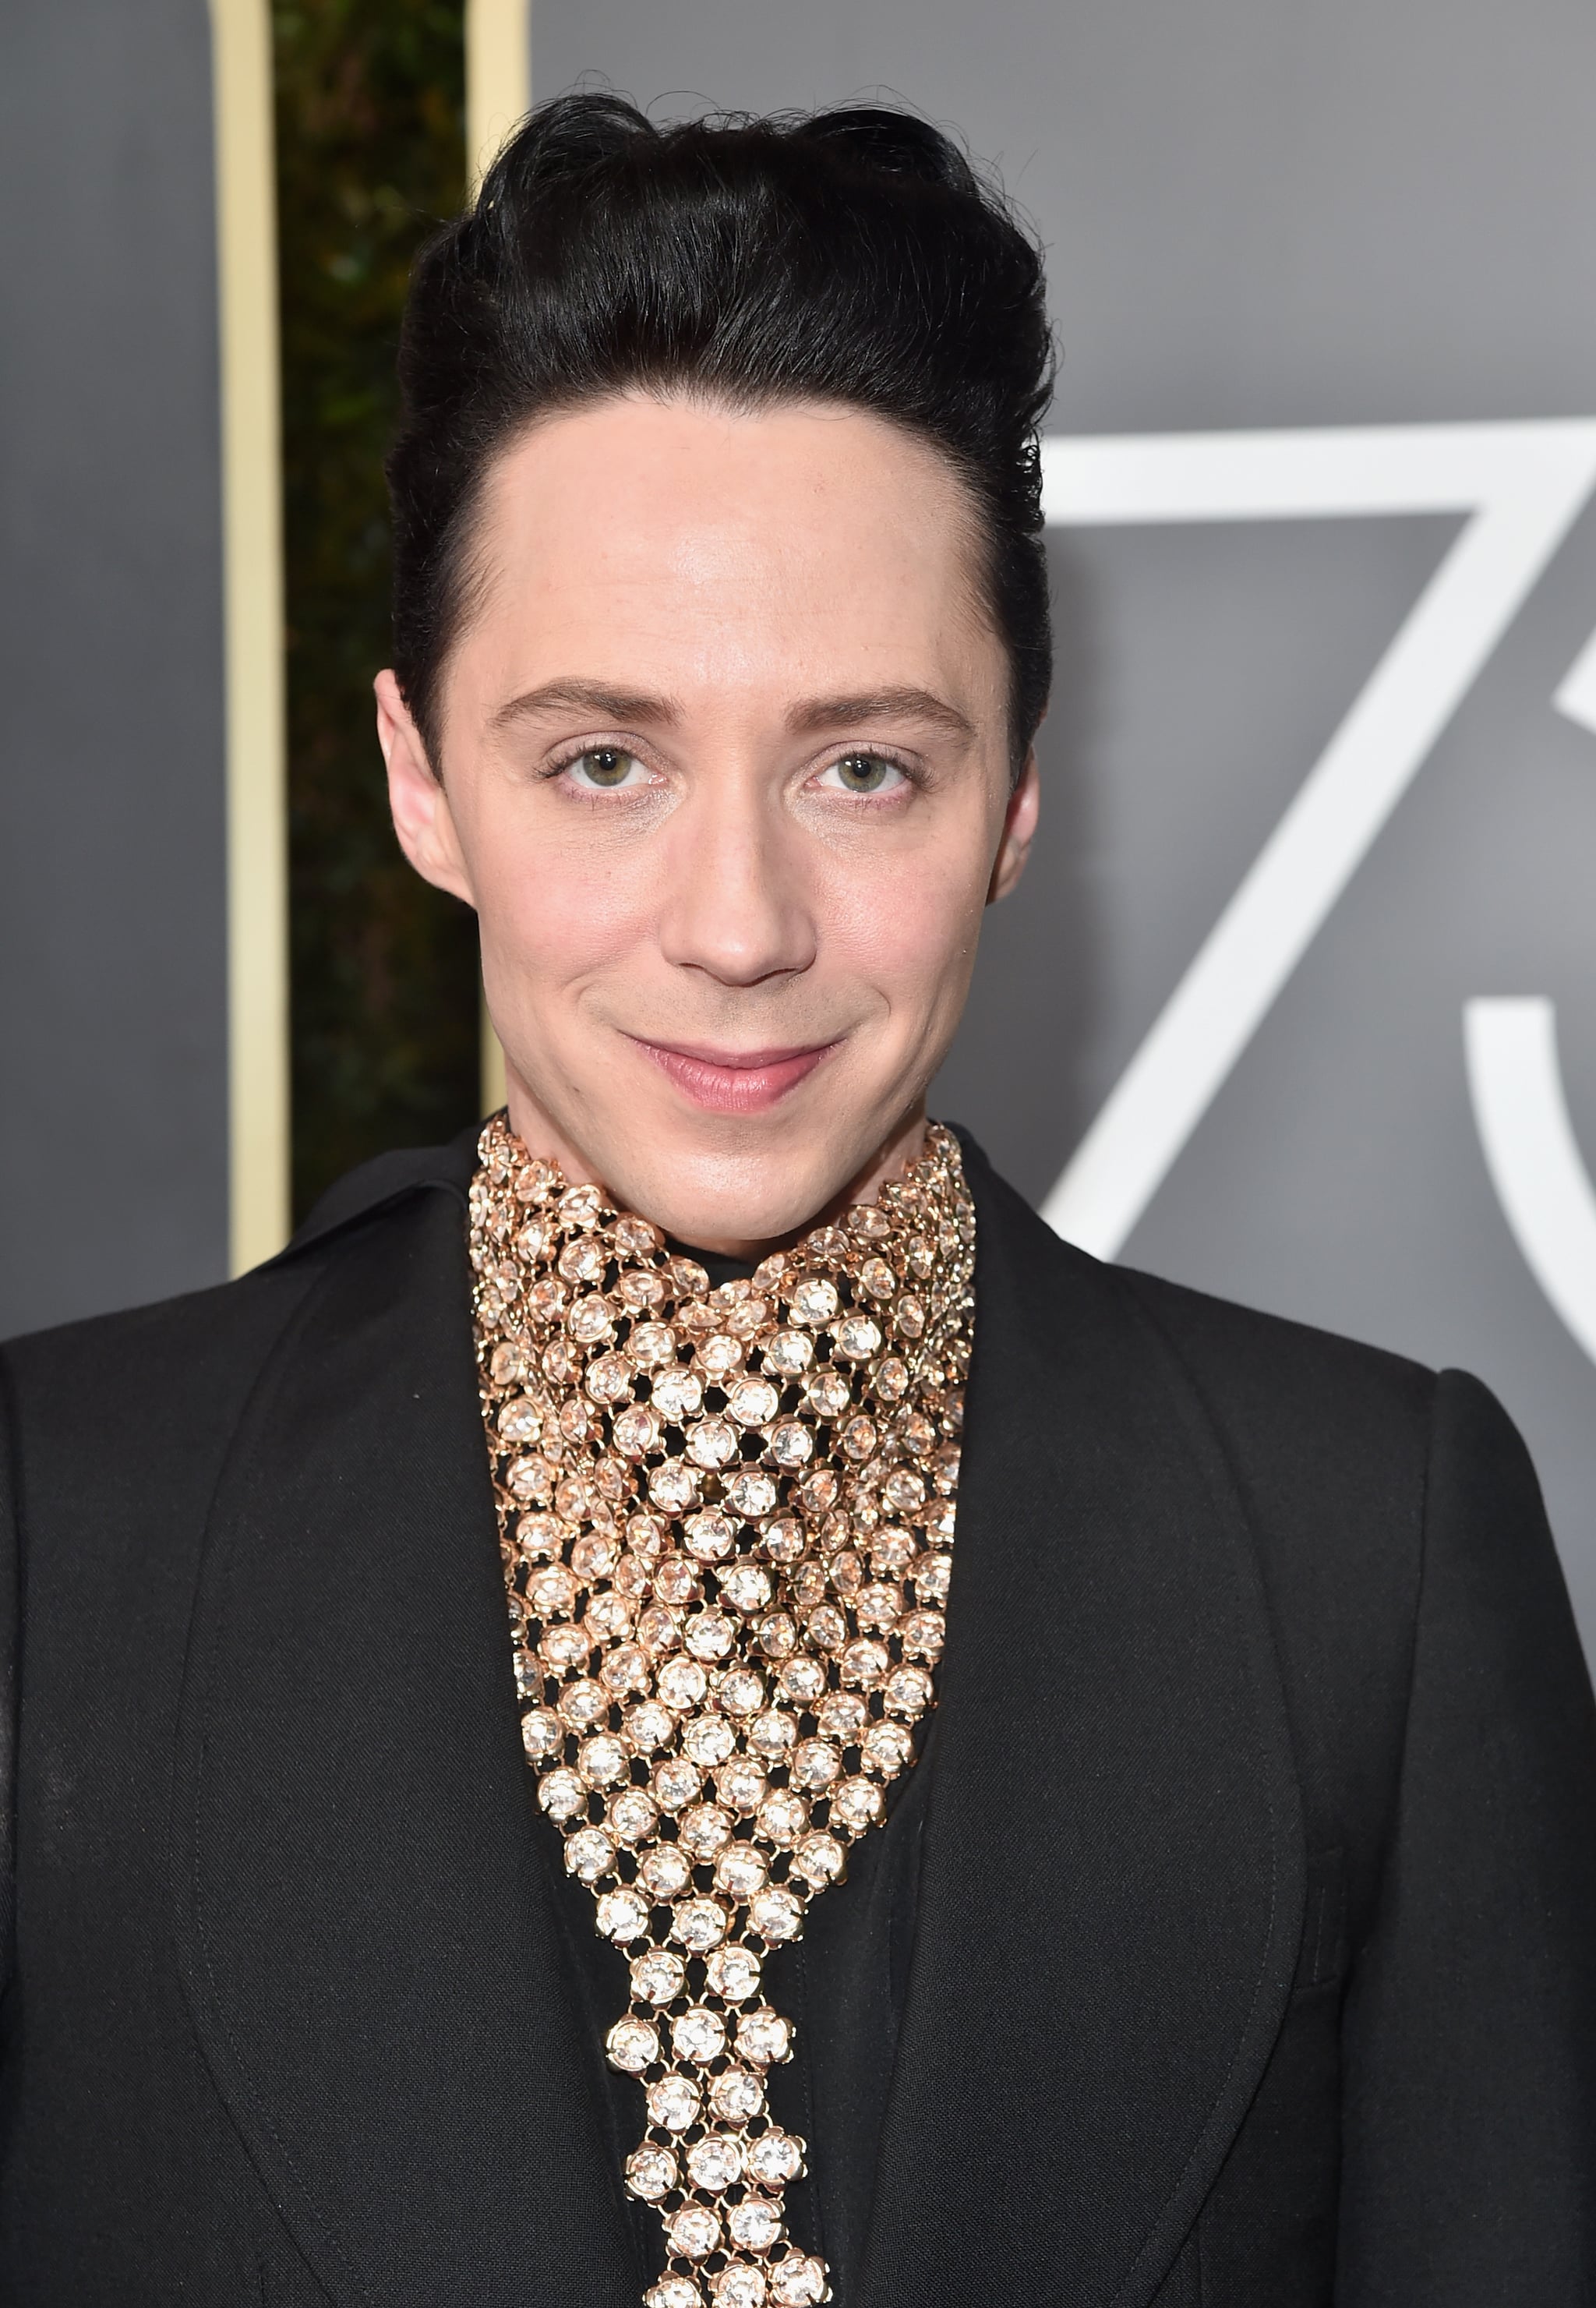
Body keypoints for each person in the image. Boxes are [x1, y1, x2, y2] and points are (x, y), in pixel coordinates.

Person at [1, 93, 1593, 2308]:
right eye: (602, 762)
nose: (738, 921)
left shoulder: (1368, 1566)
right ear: (416, 780)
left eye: (864, 765)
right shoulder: (56, 1541)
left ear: (1017, 797)